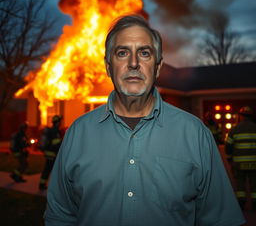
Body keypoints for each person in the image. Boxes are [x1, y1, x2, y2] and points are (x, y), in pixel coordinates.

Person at [45, 15, 245, 226]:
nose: (133, 63)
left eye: (144, 53)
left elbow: (221, 220)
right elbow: (60, 216)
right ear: (108, 66)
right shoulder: (78, 132)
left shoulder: (194, 133)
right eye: (122, 53)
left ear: (157, 67)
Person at [225, 106, 256, 210]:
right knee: (254, 183)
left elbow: (228, 146)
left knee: (240, 183)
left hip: (239, 163)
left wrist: (229, 159)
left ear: (241, 116)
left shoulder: (235, 129)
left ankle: (241, 203)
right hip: (254, 163)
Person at [39, 115, 63, 190]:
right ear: (57, 122)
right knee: (54, 170)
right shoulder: (55, 131)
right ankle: (48, 186)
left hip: (48, 153)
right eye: (60, 121)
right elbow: (56, 143)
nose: (61, 123)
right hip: (52, 153)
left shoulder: (51, 130)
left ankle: (42, 184)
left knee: (47, 169)